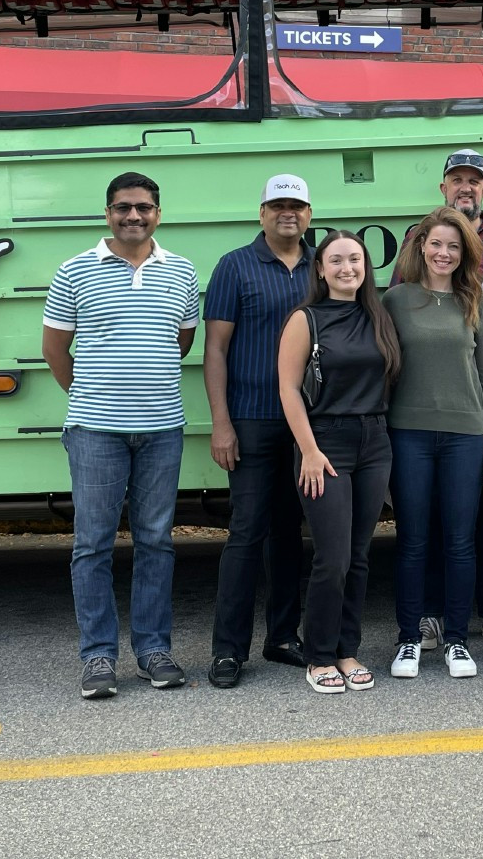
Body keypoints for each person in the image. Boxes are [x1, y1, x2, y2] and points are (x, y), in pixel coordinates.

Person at [42, 172, 200, 699]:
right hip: (95, 432)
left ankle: (154, 650)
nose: (134, 216)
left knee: (156, 541)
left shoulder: (181, 272)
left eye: (144, 207)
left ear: (159, 212)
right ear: (107, 212)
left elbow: (180, 341)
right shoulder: (74, 272)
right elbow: (55, 351)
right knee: (92, 545)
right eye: (123, 207)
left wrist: (140, 386)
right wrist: (95, 396)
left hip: (162, 430)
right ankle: (98, 658)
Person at [394, 148, 483, 650]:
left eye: (474, 181)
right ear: (443, 188)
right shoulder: (410, 259)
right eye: (457, 180)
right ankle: (425, 618)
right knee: (422, 524)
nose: (466, 187)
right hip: (424, 411)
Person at [203, 174, 314, 689]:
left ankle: (283, 636)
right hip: (252, 417)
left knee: (290, 534)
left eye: (296, 205)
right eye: (277, 205)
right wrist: (221, 423)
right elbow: (216, 351)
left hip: (309, 425)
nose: (287, 213)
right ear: (262, 212)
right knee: (246, 533)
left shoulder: (322, 264)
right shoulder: (235, 266)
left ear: (308, 214)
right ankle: (228, 651)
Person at [383, 207, 483, 679]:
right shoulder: (395, 300)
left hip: (466, 435)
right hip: (408, 433)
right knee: (413, 540)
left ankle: (456, 639)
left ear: (465, 253)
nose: (444, 253)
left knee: (459, 542)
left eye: (454, 246)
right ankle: (410, 638)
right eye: (436, 244)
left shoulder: (475, 299)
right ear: (420, 247)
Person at [278, 230, 401, 693]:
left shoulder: (378, 316)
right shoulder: (305, 319)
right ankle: (320, 655)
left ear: (366, 266)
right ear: (321, 269)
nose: (347, 267)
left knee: (361, 554)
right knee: (333, 556)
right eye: (336, 260)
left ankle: (348, 651)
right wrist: (309, 450)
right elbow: (289, 388)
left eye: (355, 259)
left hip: (375, 440)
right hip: (325, 441)